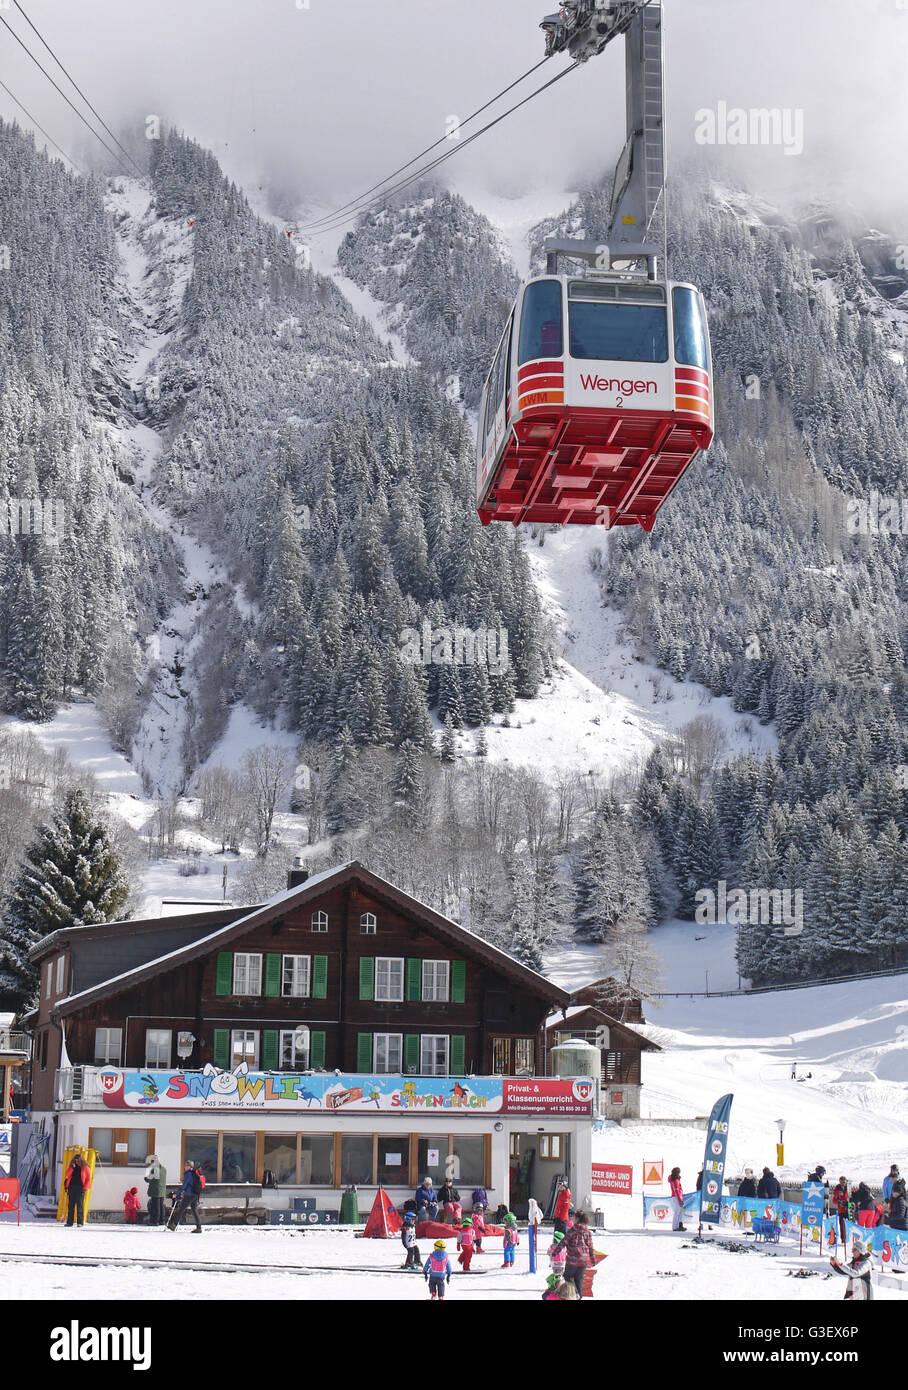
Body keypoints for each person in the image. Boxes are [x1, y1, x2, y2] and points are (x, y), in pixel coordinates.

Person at [561, 1211, 594, 1299]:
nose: (572, 1219)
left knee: (567, 1276)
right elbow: (590, 1246)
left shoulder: (573, 1230)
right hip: (584, 1260)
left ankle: (576, 1293)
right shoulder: (587, 1231)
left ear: (577, 1219)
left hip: (573, 1259)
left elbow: (564, 1242)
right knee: (578, 1279)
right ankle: (579, 1296)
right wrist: (592, 1259)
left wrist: (555, 1252)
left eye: (574, 1218)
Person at [167, 1160, 203, 1232]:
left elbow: (184, 1186)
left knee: (181, 1209)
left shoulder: (188, 1174)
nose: (184, 1167)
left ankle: (173, 1225)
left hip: (189, 1194)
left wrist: (177, 1193)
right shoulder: (193, 1174)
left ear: (189, 1166)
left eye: (186, 1165)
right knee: (194, 1209)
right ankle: (199, 1227)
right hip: (195, 1194)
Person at [64, 1153, 91, 1228]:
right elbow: (67, 1174)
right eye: (75, 1160)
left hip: (80, 1188)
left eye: (78, 1160)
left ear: (81, 1160)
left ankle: (80, 1222)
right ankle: (69, 1222)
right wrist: (72, 1168)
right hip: (71, 1187)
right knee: (70, 1206)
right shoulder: (72, 1167)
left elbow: (88, 1179)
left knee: (80, 1206)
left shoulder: (85, 1168)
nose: (76, 1161)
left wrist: (84, 1188)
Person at [144, 1154, 167, 1226]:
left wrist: (145, 1177)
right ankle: (162, 1220)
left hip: (156, 1191)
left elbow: (149, 1179)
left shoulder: (155, 1170)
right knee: (161, 1206)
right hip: (162, 1190)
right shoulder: (163, 1169)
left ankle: (154, 1221)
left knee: (155, 1207)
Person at [832, 1177, 850, 1243]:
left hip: (848, 1209)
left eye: (844, 1182)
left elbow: (852, 1196)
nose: (843, 1183)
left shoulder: (849, 1188)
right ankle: (843, 1239)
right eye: (842, 1182)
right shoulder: (837, 1189)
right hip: (841, 1210)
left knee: (849, 1225)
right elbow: (834, 1200)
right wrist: (839, 1202)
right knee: (842, 1225)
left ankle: (848, 1238)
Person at [669, 1167, 685, 1232]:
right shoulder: (676, 1181)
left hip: (675, 1197)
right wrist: (680, 1200)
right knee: (677, 1212)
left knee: (679, 1211)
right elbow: (677, 1191)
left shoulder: (674, 1180)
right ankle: (675, 1227)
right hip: (676, 1197)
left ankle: (678, 1225)